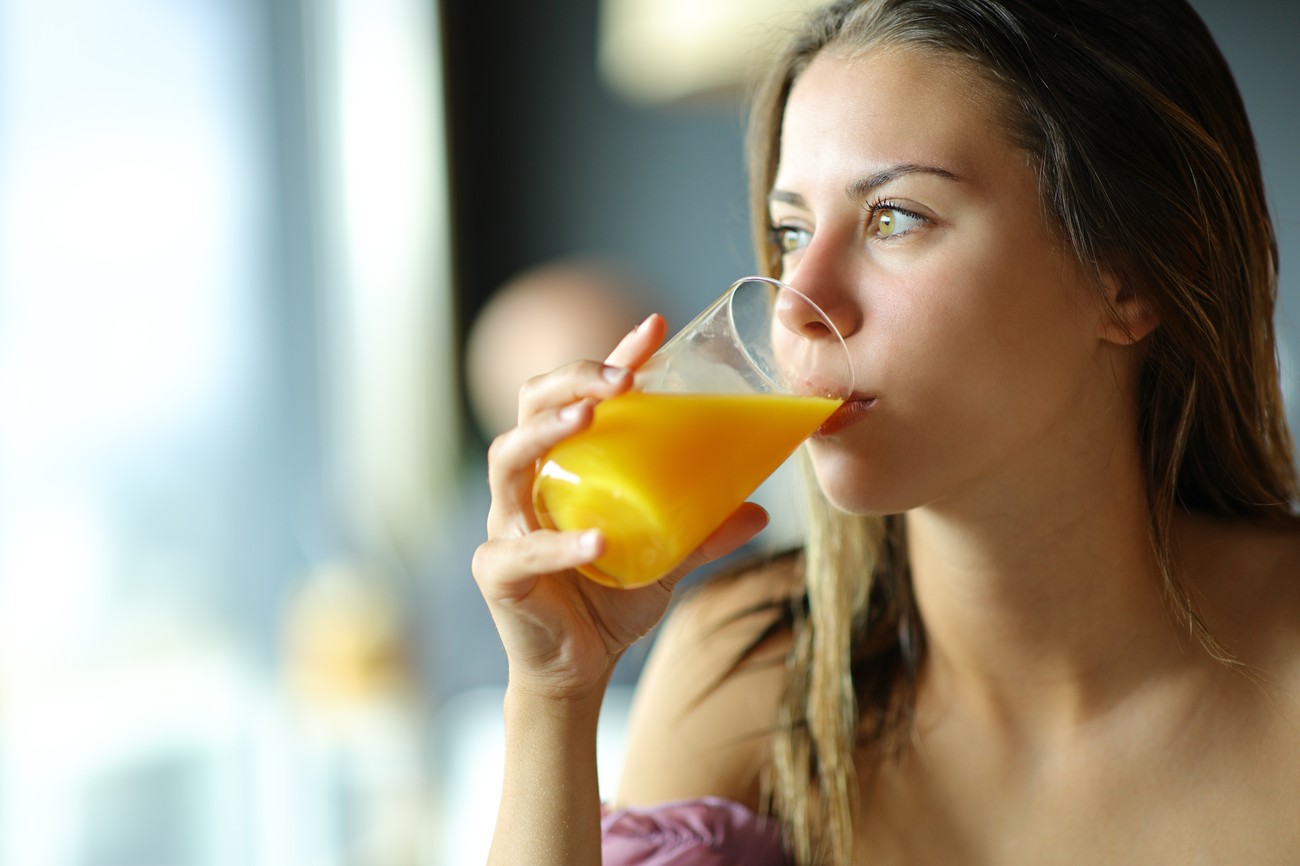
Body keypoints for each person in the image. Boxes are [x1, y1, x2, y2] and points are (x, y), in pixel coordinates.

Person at [472, 0, 1300, 863]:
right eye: (792, 231)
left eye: (895, 217)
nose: (800, 304)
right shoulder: (747, 678)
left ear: (1127, 280)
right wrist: (554, 696)